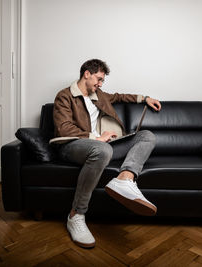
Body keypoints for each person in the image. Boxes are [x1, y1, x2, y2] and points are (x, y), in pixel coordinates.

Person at [52, 59, 161, 248]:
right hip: (72, 145)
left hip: (102, 146)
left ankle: (125, 179)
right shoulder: (65, 96)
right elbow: (63, 128)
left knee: (146, 136)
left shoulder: (98, 94)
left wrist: (145, 98)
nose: (100, 84)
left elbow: (119, 97)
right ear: (87, 74)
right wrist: (96, 137)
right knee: (102, 149)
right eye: (99, 79)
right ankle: (76, 215)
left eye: (102, 81)